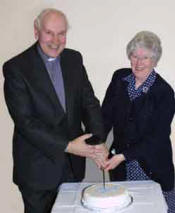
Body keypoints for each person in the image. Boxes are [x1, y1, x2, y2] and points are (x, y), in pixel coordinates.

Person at [3, 8, 108, 213]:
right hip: (37, 173)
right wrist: (69, 146)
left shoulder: (74, 59)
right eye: (49, 33)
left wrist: (98, 142)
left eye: (61, 34)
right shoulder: (16, 67)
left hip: (73, 168)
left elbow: (89, 103)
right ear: (36, 31)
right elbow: (26, 123)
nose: (56, 40)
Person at [102, 31, 175, 212]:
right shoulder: (120, 78)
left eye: (145, 58)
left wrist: (122, 156)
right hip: (121, 168)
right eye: (134, 56)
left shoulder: (164, 92)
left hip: (153, 167)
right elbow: (105, 116)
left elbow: (157, 138)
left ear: (155, 60)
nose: (138, 62)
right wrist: (98, 144)